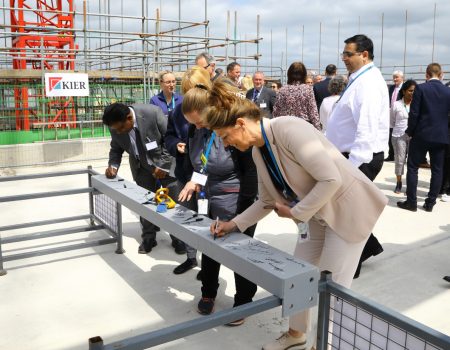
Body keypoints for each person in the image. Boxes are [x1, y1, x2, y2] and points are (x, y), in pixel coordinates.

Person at [204, 79, 388, 350]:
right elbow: (266, 201)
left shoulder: (288, 128)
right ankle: (296, 333)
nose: (227, 144)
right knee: (298, 276)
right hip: (316, 216)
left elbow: (331, 179)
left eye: (226, 136)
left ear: (241, 124)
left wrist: (295, 212)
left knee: (332, 285)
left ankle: (322, 343)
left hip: (346, 213)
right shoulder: (258, 151)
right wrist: (234, 224)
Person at [179, 80, 258, 324]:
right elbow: (201, 162)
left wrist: (241, 217)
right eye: (193, 124)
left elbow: (251, 175)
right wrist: (194, 180)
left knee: (239, 253)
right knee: (210, 245)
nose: (197, 126)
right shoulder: (197, 129)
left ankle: (244, 301)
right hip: (210, 197)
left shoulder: (233, 131)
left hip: (238, 200)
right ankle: (208, 291)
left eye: (200, 120)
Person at [326, 34, 389, 278]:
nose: (344, 59)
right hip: (349, 156)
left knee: (348, 213)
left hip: (359, 157)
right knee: (349, 211)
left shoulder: (369, 83)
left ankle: (354, 262)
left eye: (348, 54)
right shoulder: (359, 79)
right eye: (343, 54)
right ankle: (367, 249)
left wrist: (350, 169)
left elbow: (366, 129)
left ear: (364, 55)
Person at [102, 103, 183, 254]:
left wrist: (163, 165)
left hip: (166, 167)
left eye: (120, 128)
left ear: (129, 117)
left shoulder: (153, 113)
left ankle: (178, 238)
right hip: (142, 168)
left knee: (173, 203)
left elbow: (170, 139)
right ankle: (148, 237)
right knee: (145, 204)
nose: (118, 132)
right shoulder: (115, 124)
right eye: (115, 130)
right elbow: (116, 148)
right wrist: (113, 165)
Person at [165, 66, 212, 274]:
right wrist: (176, 144)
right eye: (187, 91)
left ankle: (210, 265)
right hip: (187, 173)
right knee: (189, 218)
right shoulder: (178, 111)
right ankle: (191, 257)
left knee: (208, 222)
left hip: (208, 178)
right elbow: (167, 136)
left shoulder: (214, 113)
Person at [397, 63, 450, 212]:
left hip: (421, 134)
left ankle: (411, 202)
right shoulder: (447, 91)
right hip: (441, 136)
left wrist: (410, 132)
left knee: (413, 167)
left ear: (426, 75)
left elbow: (414, 114)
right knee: (437, 170)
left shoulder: (420, 88)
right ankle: (430, 203)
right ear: (441, 75)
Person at [273, 62, 321, 130]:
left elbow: (276, 112)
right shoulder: (308, 89)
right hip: (304, 127)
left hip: (286, 128)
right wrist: (318, 130)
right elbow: (313, 112)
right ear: (304, 74)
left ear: (289, 74)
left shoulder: (282, 90)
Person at [391, 80, 417, 193]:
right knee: (400, 160)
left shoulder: (417, 104)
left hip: (414, 136)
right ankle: (399, 182)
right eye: (410, 91)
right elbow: (392, 121)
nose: (412, 93)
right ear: (404, 91)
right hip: (399, 135)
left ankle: (411, 185)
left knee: (412, 162)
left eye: (414, 91)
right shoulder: (396, 104)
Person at [386, 70, 405, 161]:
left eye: (397, 77)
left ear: (402, 78)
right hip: (391, 114)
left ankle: (402, 156)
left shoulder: (405, 88)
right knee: (390, 134)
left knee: (401, 136)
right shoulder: (391, 88)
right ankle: (391, 155)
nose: (395, 79)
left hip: (401, 114)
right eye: (394, 77)